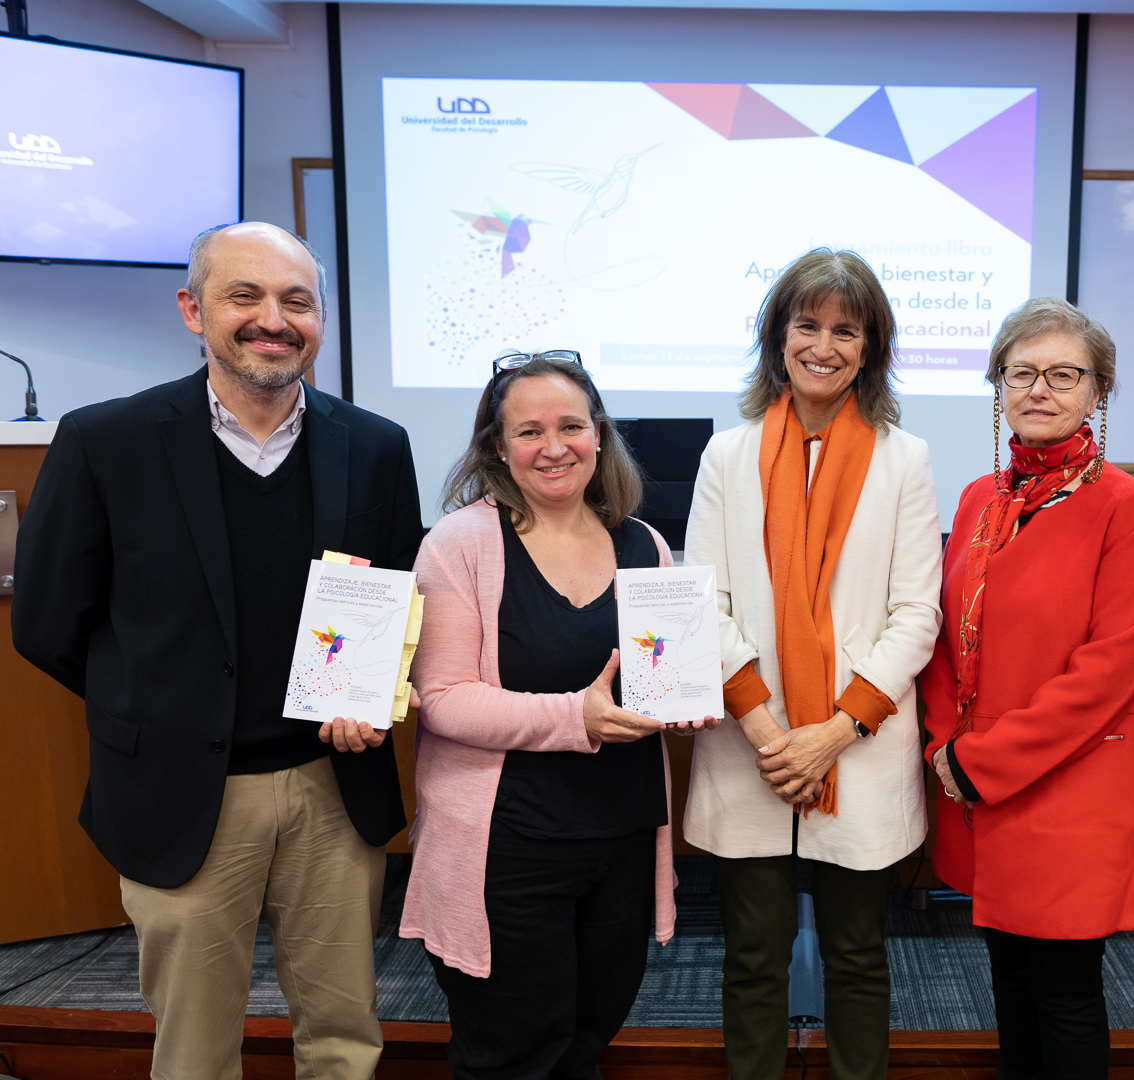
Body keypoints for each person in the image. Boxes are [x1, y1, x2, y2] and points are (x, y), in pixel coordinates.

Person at [12, 221, 422, 1078]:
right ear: (193, 310)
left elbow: (390, 600)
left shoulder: (377, 445)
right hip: (179, 793)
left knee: (346, 1038)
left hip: (332, 792)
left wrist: (378, 691)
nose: (273, 318)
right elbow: (47, 623)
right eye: (246, 296)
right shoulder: (105, 441)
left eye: (296, 301)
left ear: (320, 320)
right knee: (194, 1050)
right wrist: (155, 704)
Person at [400, 352, 715, 1079]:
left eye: (571, 425)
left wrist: (682, 704)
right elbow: (444, 700)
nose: (554, 446)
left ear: (599, 435)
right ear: (497, 447)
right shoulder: (460, 544)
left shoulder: (646, 544)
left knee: (586, 1039)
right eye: (529, 431)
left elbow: (653, 678)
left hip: (621, 842)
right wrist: (581, 719)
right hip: (508, 849)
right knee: (512, 1053)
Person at [682, 249, 943, 1080]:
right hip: (748, 746)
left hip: (855, 747)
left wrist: (829, 734)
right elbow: (703, 604)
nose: (824, 344)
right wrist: (769, 730)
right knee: (752, 960)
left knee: (859, 957)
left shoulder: (907, 460)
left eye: (846, 329)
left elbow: (917, 615)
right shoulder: (727, 456)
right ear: (778, 337)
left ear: (871, 348)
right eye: (807, 325)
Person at [920, 297, 1134, 1079]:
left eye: (1064, 374)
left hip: (1069, 788)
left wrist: (980, 761)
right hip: (977, 787)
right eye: (1021, 372)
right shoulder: (978, 500)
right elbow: (940, 642)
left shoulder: (1129, 509)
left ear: (1099, 391)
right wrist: (943, 747)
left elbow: (1108, 672)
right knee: (1009, 985)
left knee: (1064, 997)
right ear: (999, 386)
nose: (1040, 389)